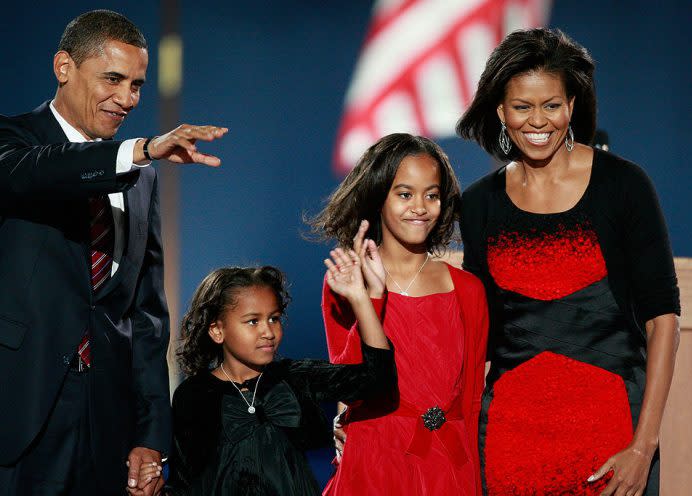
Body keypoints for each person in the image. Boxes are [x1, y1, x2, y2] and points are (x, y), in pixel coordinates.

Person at [0, 10, 227, 496]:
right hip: (17, 414)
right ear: (64, 67)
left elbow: (145, 315)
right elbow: (37, 173)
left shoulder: (140, 175)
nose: (127, 99)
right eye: (114, 79)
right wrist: (139, 150)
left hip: (106, 421)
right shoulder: (13, 142)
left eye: (138, 84)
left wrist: (149, 433)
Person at [457, 28, 680, 495]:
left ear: (572, 106)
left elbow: (664, 319)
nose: (538, 121)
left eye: (551, 105)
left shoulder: (624, 185)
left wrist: (644, 446)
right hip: (508, 443)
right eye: (522, 107)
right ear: (501, 110)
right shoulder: (478, 204)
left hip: (613, 441)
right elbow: (470, 339)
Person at [310, 133, 488, 495]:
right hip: (375, 457)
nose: (420, 207)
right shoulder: (346, 281)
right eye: (405, 194)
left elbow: (471, 397)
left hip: (447, 464)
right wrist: (368, 300)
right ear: (379, 198)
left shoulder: (468, 290)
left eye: (432, 194)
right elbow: (347, 380)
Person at [166, 259, 396, 495]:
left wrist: (364, 299)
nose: (268, 332)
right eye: (253, 321)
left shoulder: (295, 377)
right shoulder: (193, 394)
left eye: (274, 318)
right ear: (217, 330)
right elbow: (183, 479)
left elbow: (376, 382)